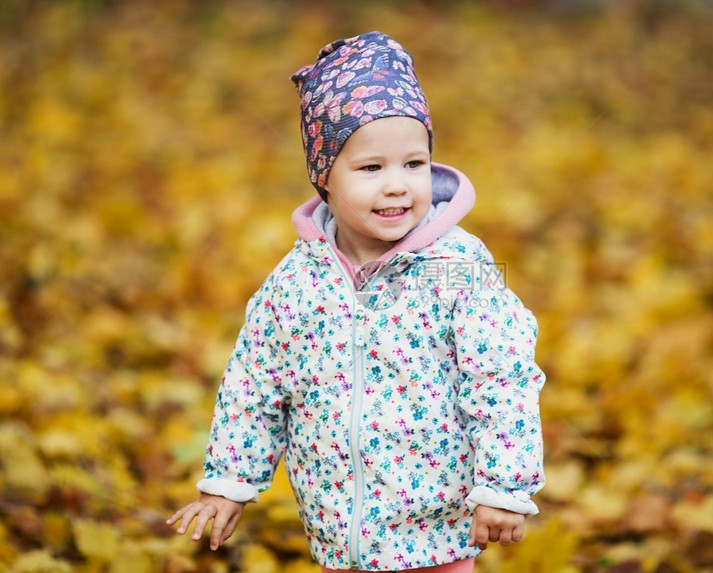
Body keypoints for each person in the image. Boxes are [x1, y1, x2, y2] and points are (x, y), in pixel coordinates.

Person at [167, 31, 545, 573]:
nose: (397, 185)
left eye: (414, 164)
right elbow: (254, 384)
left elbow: (503, 375)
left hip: (438, 529)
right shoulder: (296, 281)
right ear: (324, 176)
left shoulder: (457, 267)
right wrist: (231, 482)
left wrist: (503, 485)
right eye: (371, 168)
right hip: (340, 532)